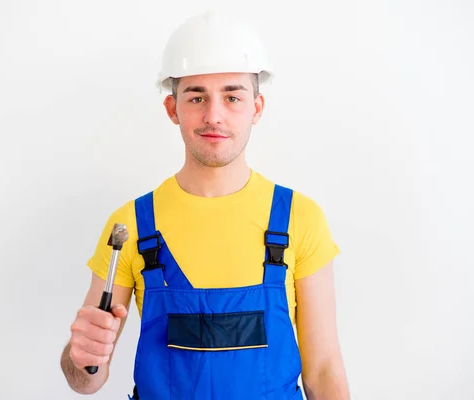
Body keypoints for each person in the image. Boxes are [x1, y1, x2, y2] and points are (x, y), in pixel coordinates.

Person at [60, 9, 350, 400]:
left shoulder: (300, 219)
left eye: (232, 96)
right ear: (172, 109)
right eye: (197, 97)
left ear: (257, 108)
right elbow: (86, 380)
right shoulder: (130, 225)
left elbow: (324, 371)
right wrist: (81, 359)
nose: (214, 115)